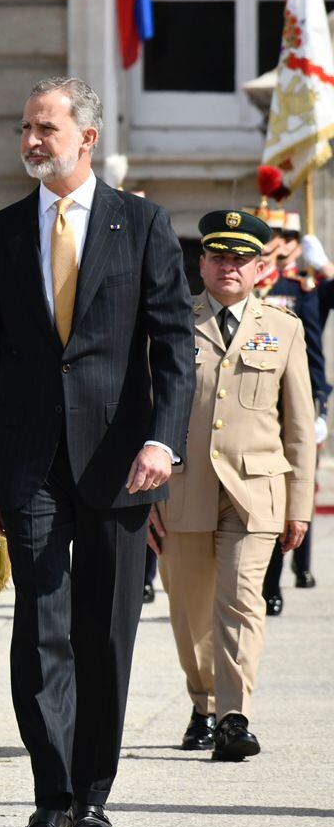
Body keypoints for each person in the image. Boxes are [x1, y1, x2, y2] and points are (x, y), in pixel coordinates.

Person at [0, 76, 194, 827]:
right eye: (26, 127)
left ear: (86, 138)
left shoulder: (143, 223)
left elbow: (174, 346)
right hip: (28, 463)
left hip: (121, 464)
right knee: (41, 625)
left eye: (46, 128)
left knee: (107, 633)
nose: (32, 140)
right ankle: (50, 798)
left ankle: (94, 789)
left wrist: (163, 440)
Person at [151, 208, 315, 762]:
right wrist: (144, 494)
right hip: (182, 488)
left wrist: (300, 504)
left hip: (255, 490)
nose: (229, 266)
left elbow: (299, 425)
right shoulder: (171, 321)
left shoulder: (284, 328)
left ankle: (233, 716)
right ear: (201, 263)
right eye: (219, 256)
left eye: (242, 259)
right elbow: (145, 409)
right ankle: (203, 702)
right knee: (190, 608)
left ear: (260, 269)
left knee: (242, 601)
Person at [252, 216, 326, 614]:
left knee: (290, 493)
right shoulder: (237, 287)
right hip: (250, 410)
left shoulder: (298, 289)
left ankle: (277, 580)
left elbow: (312, 353)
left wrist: (319, 406)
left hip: (287, 410)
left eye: (277, 240)